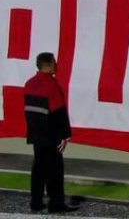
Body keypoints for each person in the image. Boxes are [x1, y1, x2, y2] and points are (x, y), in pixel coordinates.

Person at [24, 53, 78, 213]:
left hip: (36, 134)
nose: (56, 65)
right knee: (55, 170)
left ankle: (36, 203)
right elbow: (58, 113)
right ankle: (56, 204)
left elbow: (30, 112)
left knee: (38, 169)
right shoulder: (52, 85)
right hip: (51, 135)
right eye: (54, 63)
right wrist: (64, 135)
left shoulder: (29, 84)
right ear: (47, 65)